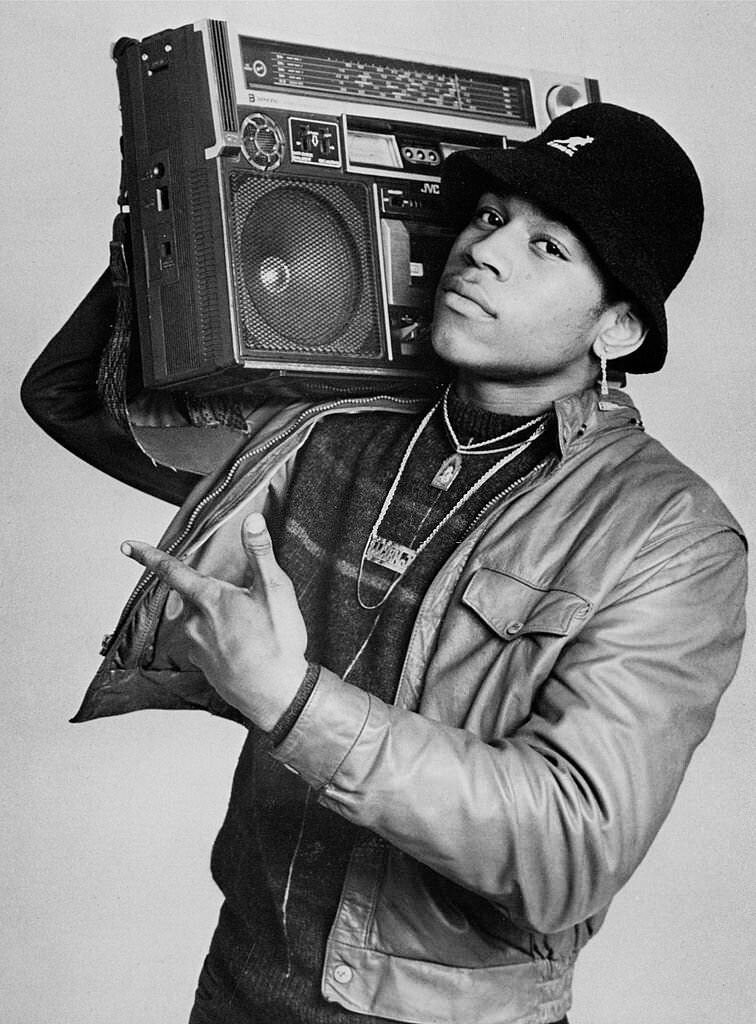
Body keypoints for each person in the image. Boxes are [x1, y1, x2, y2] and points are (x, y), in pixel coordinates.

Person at [21, 102, 747, 1024]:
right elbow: (72, 398)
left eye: (548, 249)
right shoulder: (334, 426)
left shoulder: (668, 535)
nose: (485, 252)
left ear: (618, 331)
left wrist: (291, 701)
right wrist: (166, 218)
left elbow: (569, 849)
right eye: (490, 220)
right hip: (242, 976)